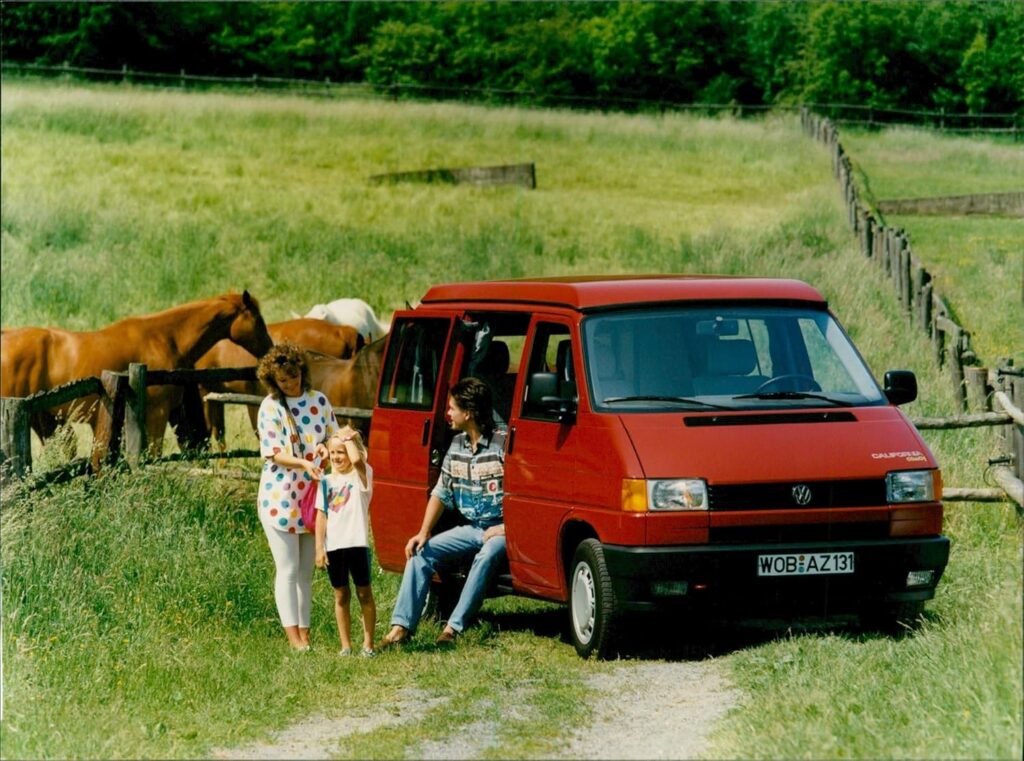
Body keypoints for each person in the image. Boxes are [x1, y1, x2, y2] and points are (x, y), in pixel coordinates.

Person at [378, 377, 507, 649]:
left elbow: (524, 496)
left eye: (451, 408)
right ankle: (400, 627)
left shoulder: (502, 444)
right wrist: (423, 532)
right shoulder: (457, 444)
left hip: (501, 528)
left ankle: (453, 628)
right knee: (420, 552)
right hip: (472, 527)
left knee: (486, 555)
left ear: (468, 413)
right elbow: (441, 491)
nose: (447, 413)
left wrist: (508, 529)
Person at [255, 342, 338, 651]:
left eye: (293, 376)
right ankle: (293, 638)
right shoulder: (270, 407)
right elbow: (273, 453)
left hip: (312, 495)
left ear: (302, 371)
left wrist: (325, 450)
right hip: (280, 497)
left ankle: (305, 634)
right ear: (273, 381)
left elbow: (334, 436)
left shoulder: (320, 401)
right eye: (283, 380)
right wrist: (304, 461)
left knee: (305, 572)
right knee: (288, 569)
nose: (290, 384)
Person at [314, 427, 377, 657]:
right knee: (341, 595)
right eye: (333, 453)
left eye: (342, 452)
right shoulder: (326, 481)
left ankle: (368, 645)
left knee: (364, 594)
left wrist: (348, 437)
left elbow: (358, 460)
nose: (337, 457)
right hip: (334, 546)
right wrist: (319, 548)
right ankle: (346, 646)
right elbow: (321, 515)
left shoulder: (362, 476)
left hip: (357, 544)